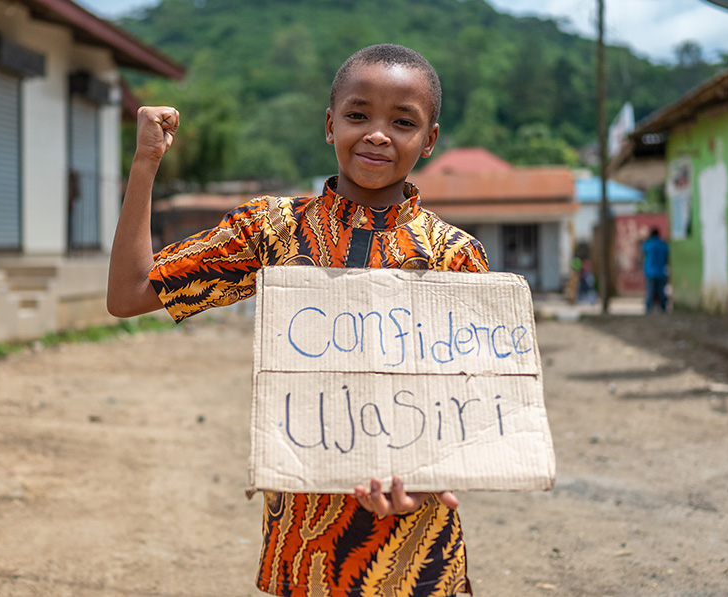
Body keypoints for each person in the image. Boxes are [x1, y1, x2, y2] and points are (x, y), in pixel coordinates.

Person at [107, 44, 487, 597]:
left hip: (419, 549)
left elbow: (478, 401)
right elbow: (130, 293)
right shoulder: (273, 232)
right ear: (330, 125)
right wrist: (145, 164)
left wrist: (435, 472)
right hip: (303, 553)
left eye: (402, 122)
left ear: (428, 141)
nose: (378, 134)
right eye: (358, 115)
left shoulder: (455, 257)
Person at [642, 228, 669, 313]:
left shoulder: (647, 244)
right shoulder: (663, 244)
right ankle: (663, 308)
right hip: (661, 271)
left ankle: (648, 309)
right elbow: (666, 257)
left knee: (650, 291)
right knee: (661, 291)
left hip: (649, 272)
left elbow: (643, 254)